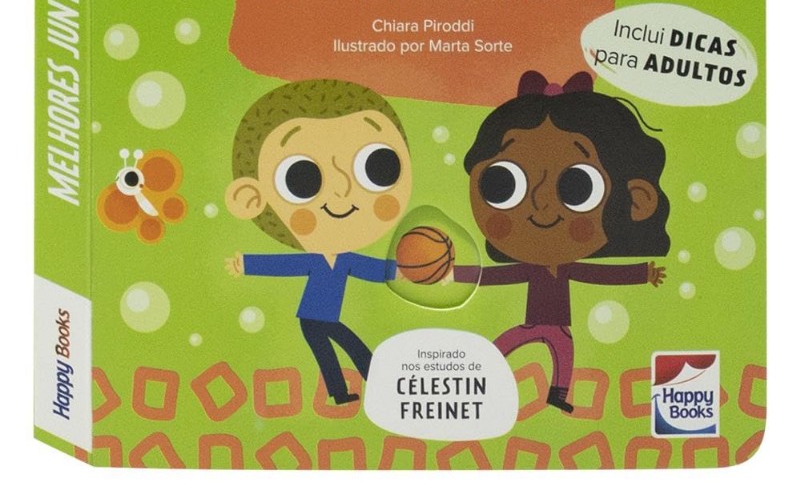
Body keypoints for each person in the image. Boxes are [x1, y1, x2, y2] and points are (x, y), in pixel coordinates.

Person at [454, 70, 669, 413]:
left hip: (558, 326)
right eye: (502, 184)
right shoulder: (531, 266)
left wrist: (643, 273)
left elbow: (601, 275)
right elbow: (492, 276)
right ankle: (486, 371)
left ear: (636, 201)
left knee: (564, 353)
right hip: (533, 322)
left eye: (577, 188)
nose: (541, 204)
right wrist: (455, 273)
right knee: (508, 342)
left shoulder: (567, 265)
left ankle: (557, 395)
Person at [225, 78, 412, 405]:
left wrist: (399, 271)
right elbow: (284, 265)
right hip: (311, 319)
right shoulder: (313, 259)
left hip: (327, 317)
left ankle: (372, 382)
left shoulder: (347, 259)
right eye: (301, 181)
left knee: (352, 345)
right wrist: (246, 264)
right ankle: (342, 392)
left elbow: (372, 269)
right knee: (329, 353)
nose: (341, 192)